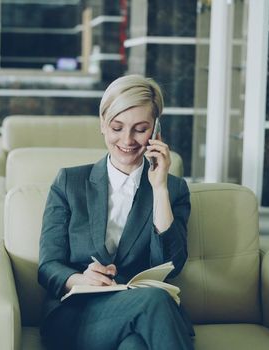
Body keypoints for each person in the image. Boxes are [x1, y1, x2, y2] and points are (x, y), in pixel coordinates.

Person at [38, 75, 193, 350]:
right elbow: (48, 266)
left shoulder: (173, 189)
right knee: (156, 302)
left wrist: (159, 189)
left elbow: (171, 266)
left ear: (156, 130)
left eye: (140, 129)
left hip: (141, 313)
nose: (127, 140)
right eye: (117, 127)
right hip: (78, 315)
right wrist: (80, 279)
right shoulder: (69, 182)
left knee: (135, 346)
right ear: (102, 124)